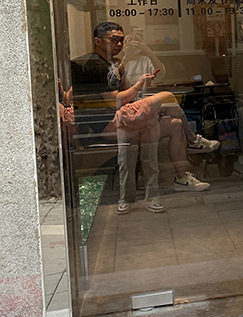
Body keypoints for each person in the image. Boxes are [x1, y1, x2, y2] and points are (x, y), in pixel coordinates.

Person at [71, 22, 218, 212]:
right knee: (167, 97)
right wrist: (139, 84)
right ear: (97, 41)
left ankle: (181, 178)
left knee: (174, 124)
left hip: (124, 117)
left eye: (122, 40)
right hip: (110, 123)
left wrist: (123, 71)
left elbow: (126, 93)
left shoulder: (113, 63)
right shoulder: (94, 65)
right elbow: (114, 101)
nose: (119, 44)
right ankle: (193, 139)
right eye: (114, 39)